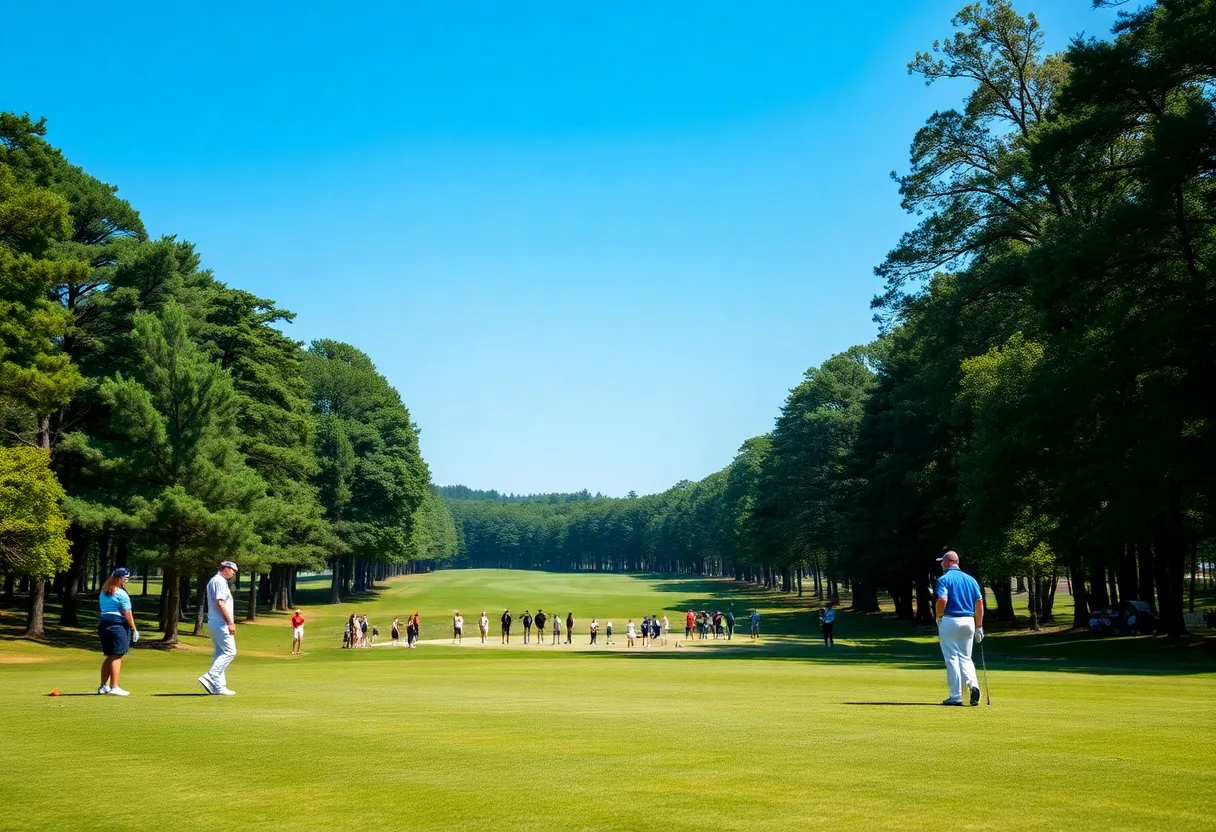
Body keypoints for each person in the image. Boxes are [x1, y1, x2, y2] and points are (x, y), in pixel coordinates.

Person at [935, 550, 984, 706]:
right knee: (965, 657)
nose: (941, 564)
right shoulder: (971, 580)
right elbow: (979, 603)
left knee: (952, 658)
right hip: (969, 622)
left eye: (942, 561)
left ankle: (956, 696)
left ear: (949, 562)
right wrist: (979, 626)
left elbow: (942, 599)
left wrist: (938, 616)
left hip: (950, 620)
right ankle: (973, 685)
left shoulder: (943, 579)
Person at [198, 560, 239, 696]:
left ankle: (219, 686)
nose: (234, 574)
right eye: (233, 570)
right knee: (230, 651)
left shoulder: (215, 581)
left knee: (220, 653)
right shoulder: (219, 581)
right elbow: (221, 603)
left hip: (215, 621)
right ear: (225, 569)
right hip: (221, 622)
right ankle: (211, 675)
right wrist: (230, 622)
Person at [98, 567, 137, 696]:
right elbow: (127, 613)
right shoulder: (121, 593)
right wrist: (134, 628)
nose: (126, 581)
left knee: (110, 655)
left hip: (104, 623)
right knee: (118, 655)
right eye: (125, 578)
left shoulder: (104, 592)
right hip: (117, 624)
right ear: (119, 578)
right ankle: (114, 687)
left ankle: (104, 686)